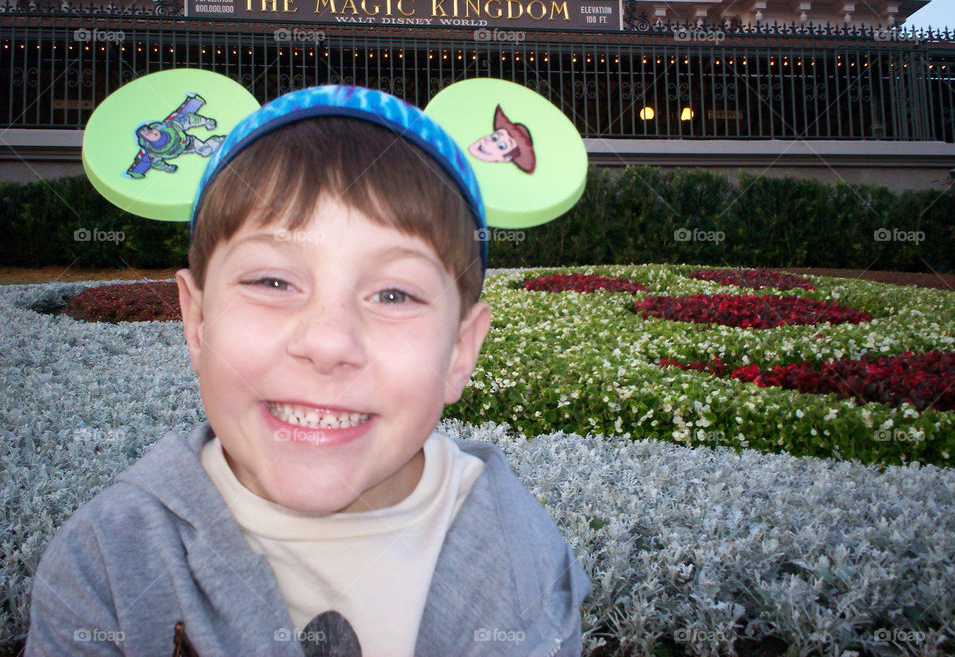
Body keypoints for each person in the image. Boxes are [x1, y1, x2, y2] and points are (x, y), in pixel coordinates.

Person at [26, 84, 591, 657]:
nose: (328, 343)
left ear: (459, 352)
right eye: (272, 282)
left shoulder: (528, 562)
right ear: (197, 322)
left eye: (394, 294)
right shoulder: (104, 565)